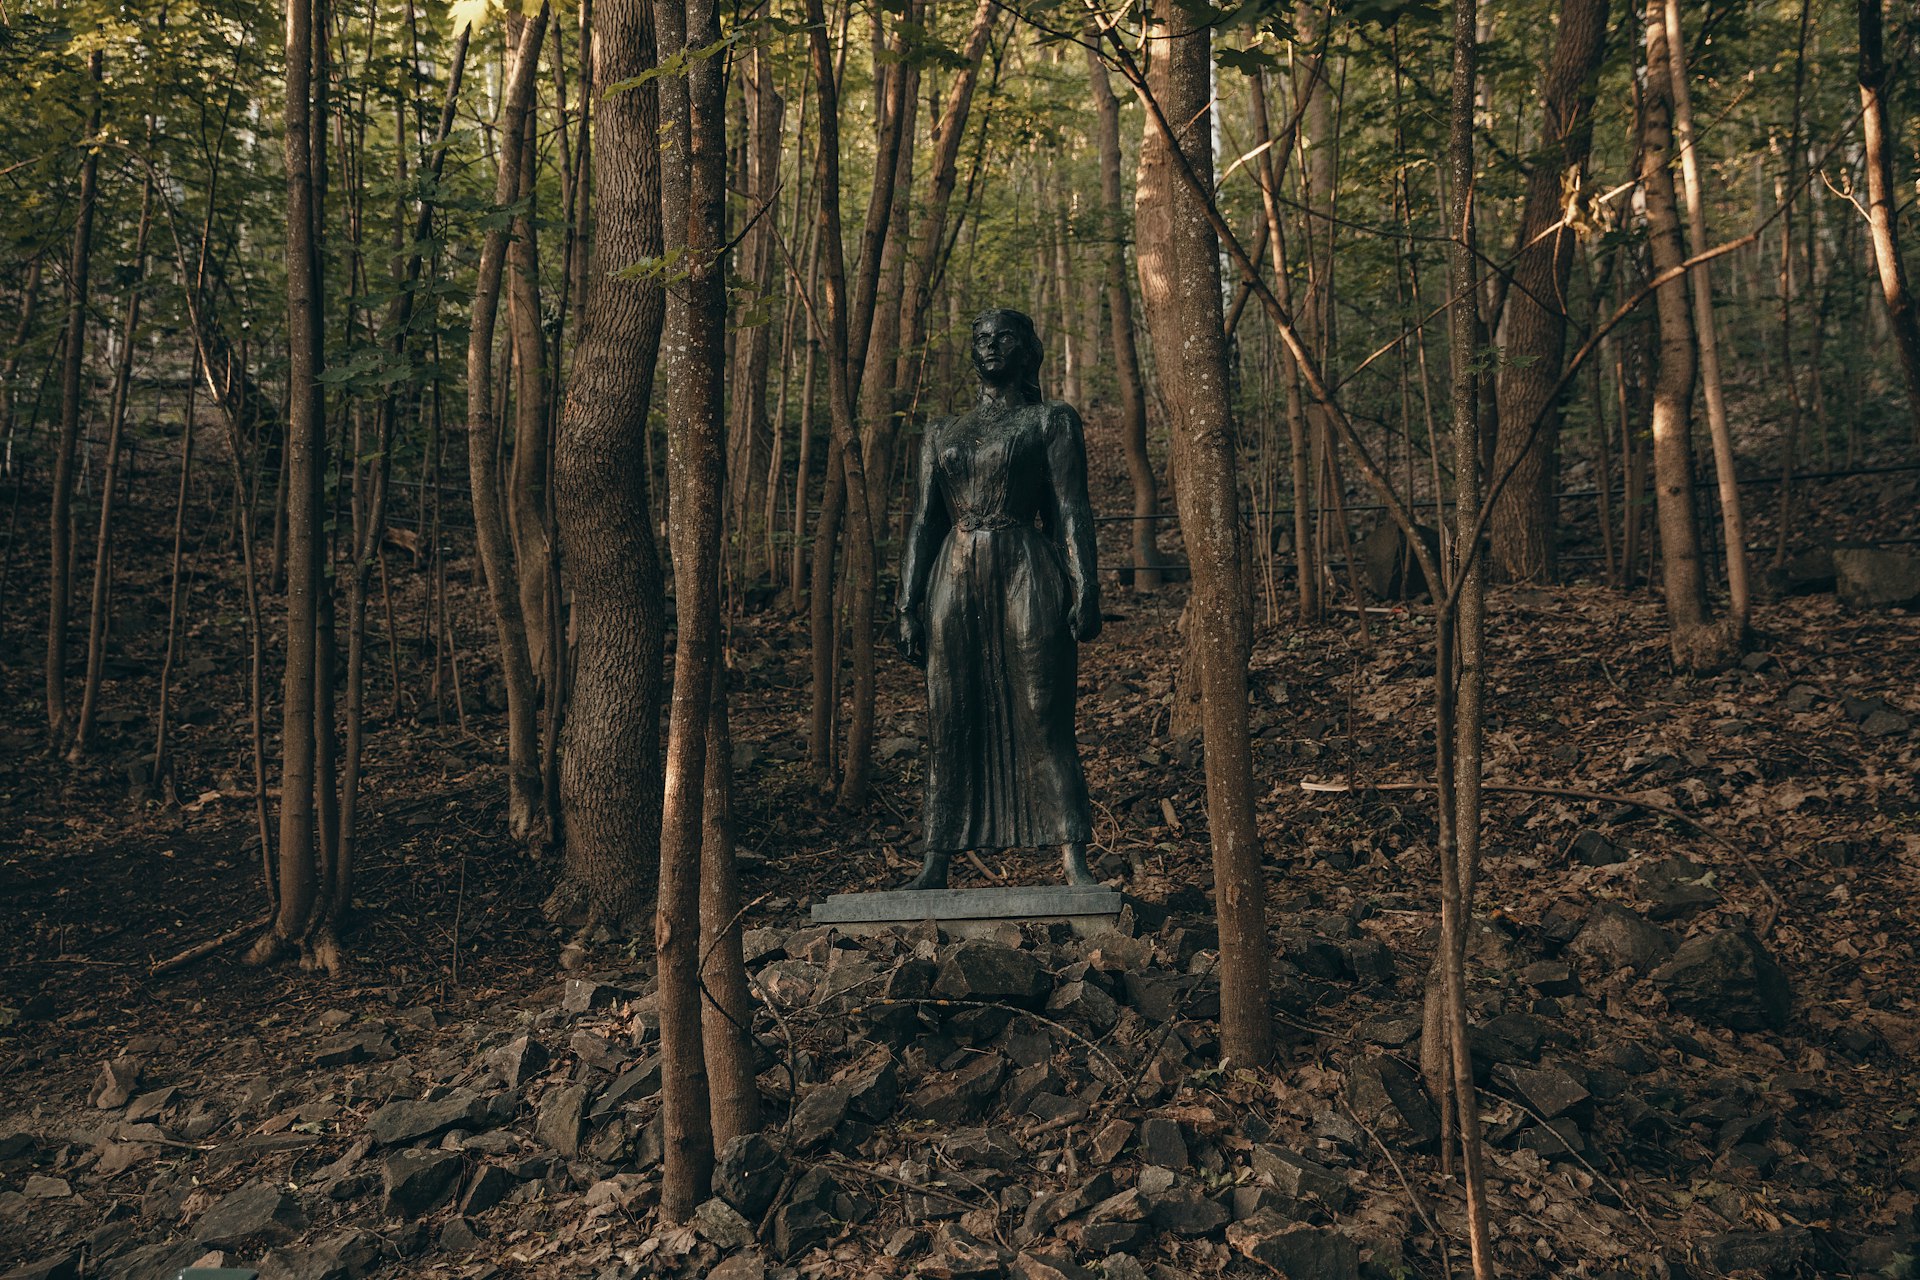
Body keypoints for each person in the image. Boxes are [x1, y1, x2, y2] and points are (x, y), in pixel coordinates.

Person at [894, 308, 1102, 890]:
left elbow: (1070, 510)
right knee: (948, 712)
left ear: (1027, 348)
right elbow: (922, 522)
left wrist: (1087, 585)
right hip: (952, 576)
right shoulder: (941, 431)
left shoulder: (1051, 421)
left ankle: (1072, 855)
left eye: (1002, 336)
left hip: (1024, 567)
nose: (990, 346)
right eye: (980, 338)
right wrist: (907, 602)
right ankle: (937, 857)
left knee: (1044, 708)